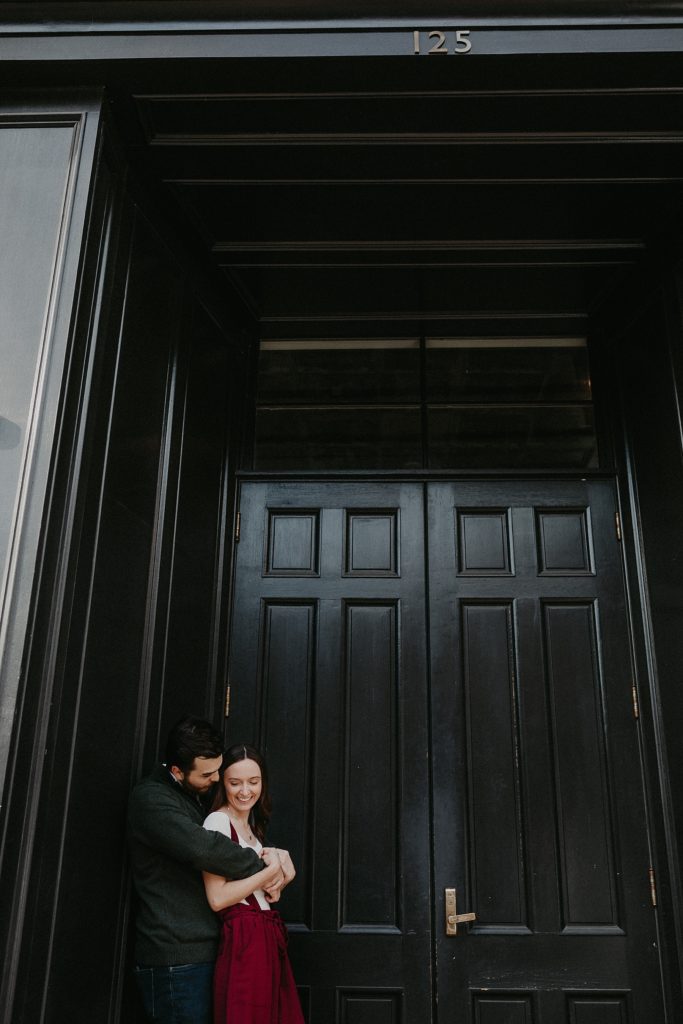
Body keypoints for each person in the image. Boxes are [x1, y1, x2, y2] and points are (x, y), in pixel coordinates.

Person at [127, 717, 286, 1024]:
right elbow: (205, 848)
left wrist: (276, 856)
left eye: (218, 769)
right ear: (177, 771)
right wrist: (267, 866)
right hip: (175, 959)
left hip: (209, 952)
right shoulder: (151, 800)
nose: (216, 779)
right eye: (207, 774)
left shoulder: (196, 796)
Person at [203, 743, 305, 1024]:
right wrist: (270, 870)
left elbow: (263, 891)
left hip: (265, 935)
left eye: (253, 782)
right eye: (235, 783)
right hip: (243, 940)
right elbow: (217, 898)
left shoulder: (251, 827)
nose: (245, 791)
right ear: (222, 783)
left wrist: (277, 883)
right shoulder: (217, 822)